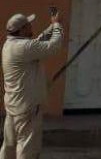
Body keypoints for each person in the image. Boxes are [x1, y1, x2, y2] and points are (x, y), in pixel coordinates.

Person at [1, 11, 63, 159]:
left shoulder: (10, 44)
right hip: (27, 109)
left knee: (9, 146)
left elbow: (36, 43)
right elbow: (53, 47)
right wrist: (57, 26)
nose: (30, 27)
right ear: (21, 30)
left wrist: (50, 28)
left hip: (13, 106)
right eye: (28, 25)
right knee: (27, 149)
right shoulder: (24, 47)